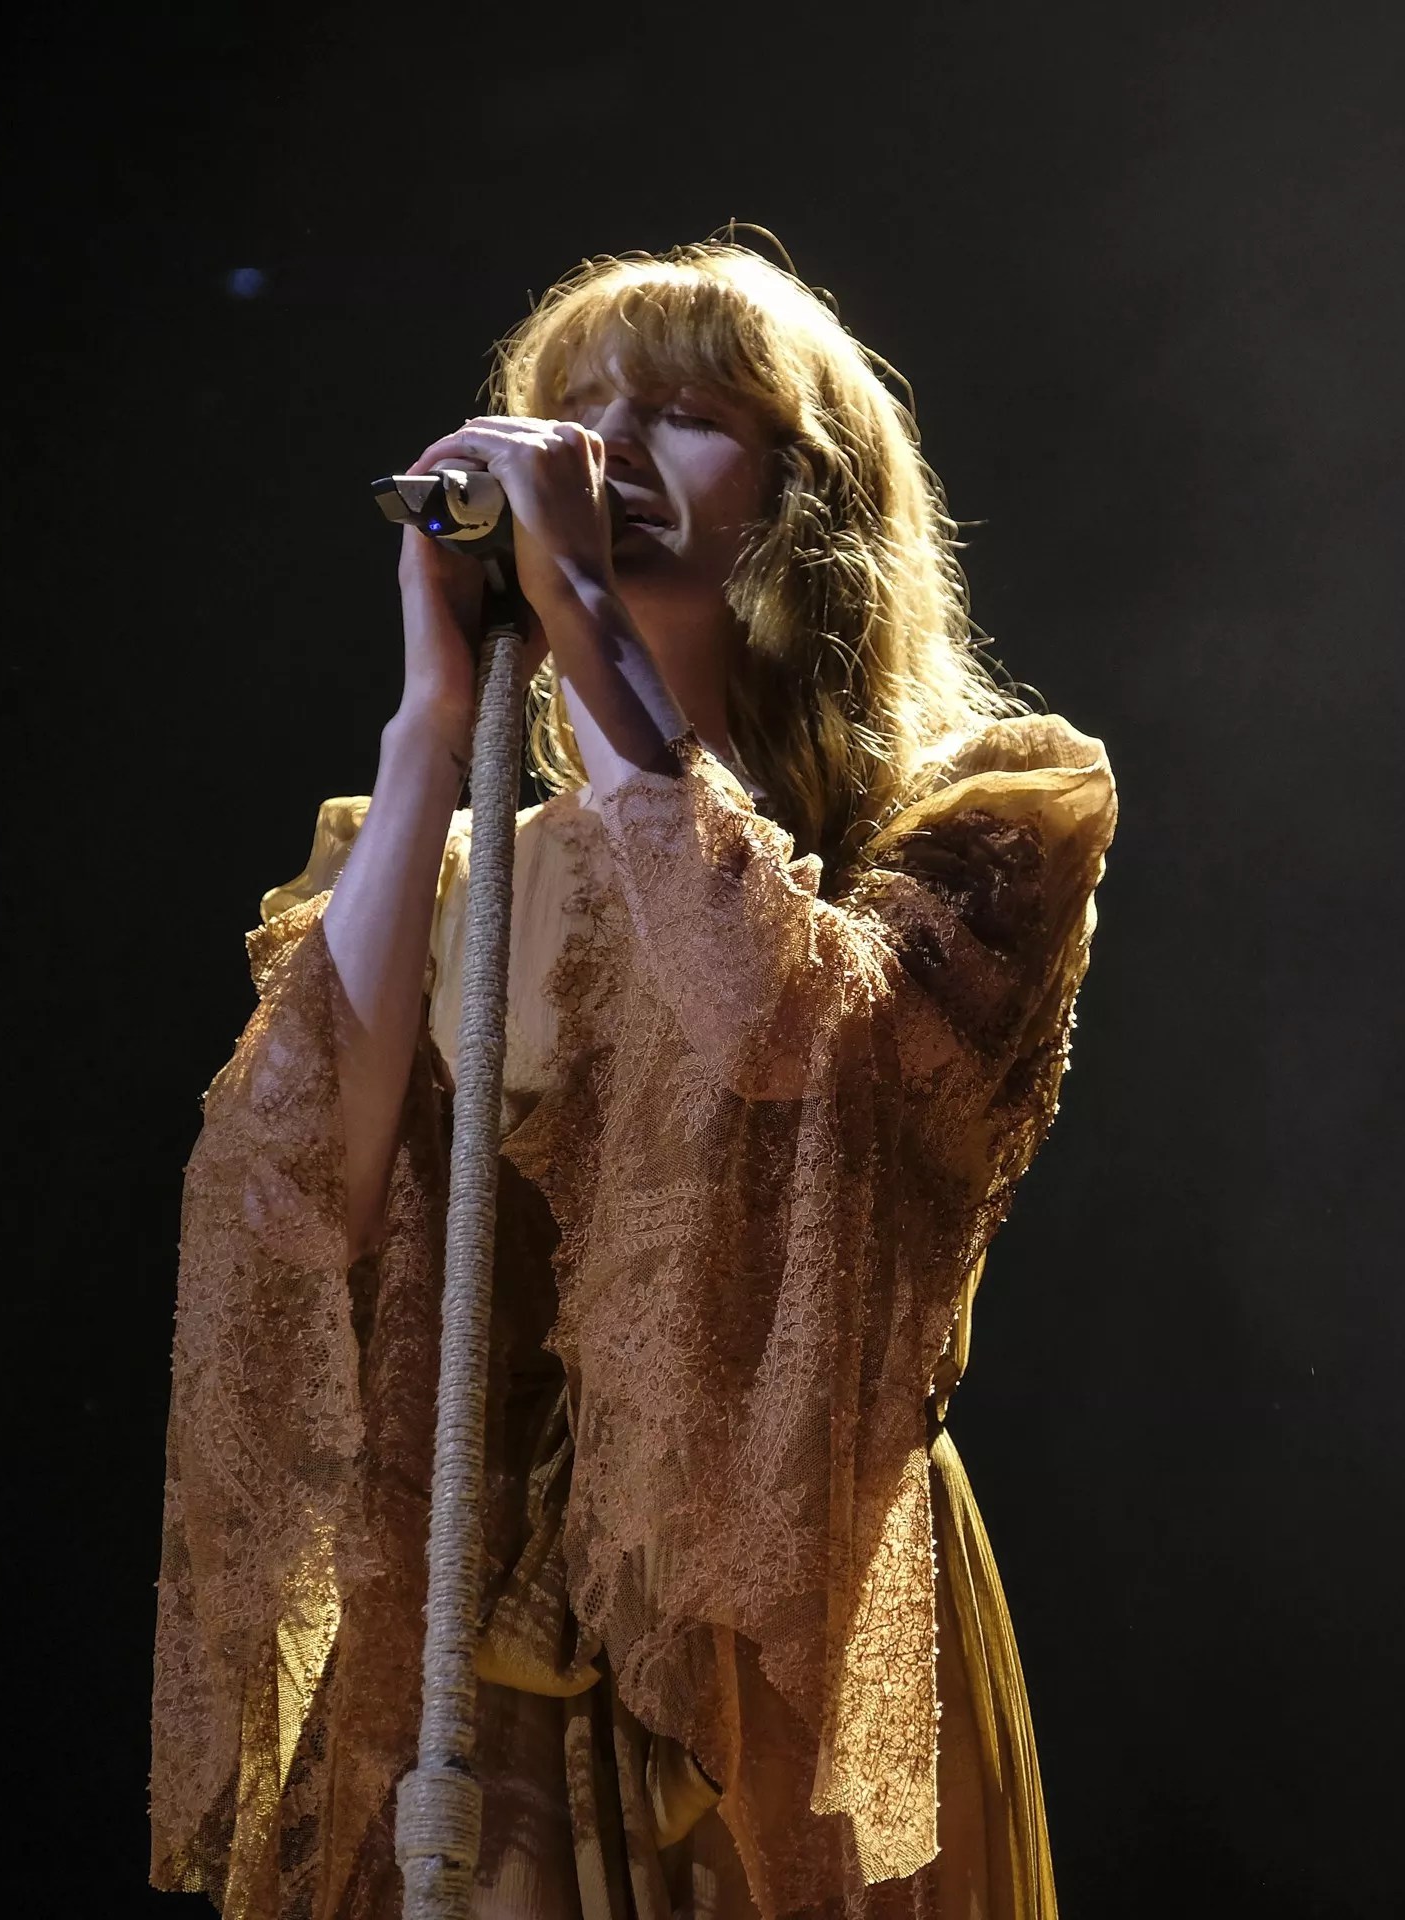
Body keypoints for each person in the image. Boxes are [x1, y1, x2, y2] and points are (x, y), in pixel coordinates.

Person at [152, 239, 1117, 1920]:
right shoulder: (473, 874)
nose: (599, 461)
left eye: (680, 416)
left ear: (804, 496)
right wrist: (427, 718)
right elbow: (291, 1186)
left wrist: (592, 623)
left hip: (776, 1655)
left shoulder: (983, 829)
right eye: (572, 418)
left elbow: (778, 1034)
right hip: (481, 1674)